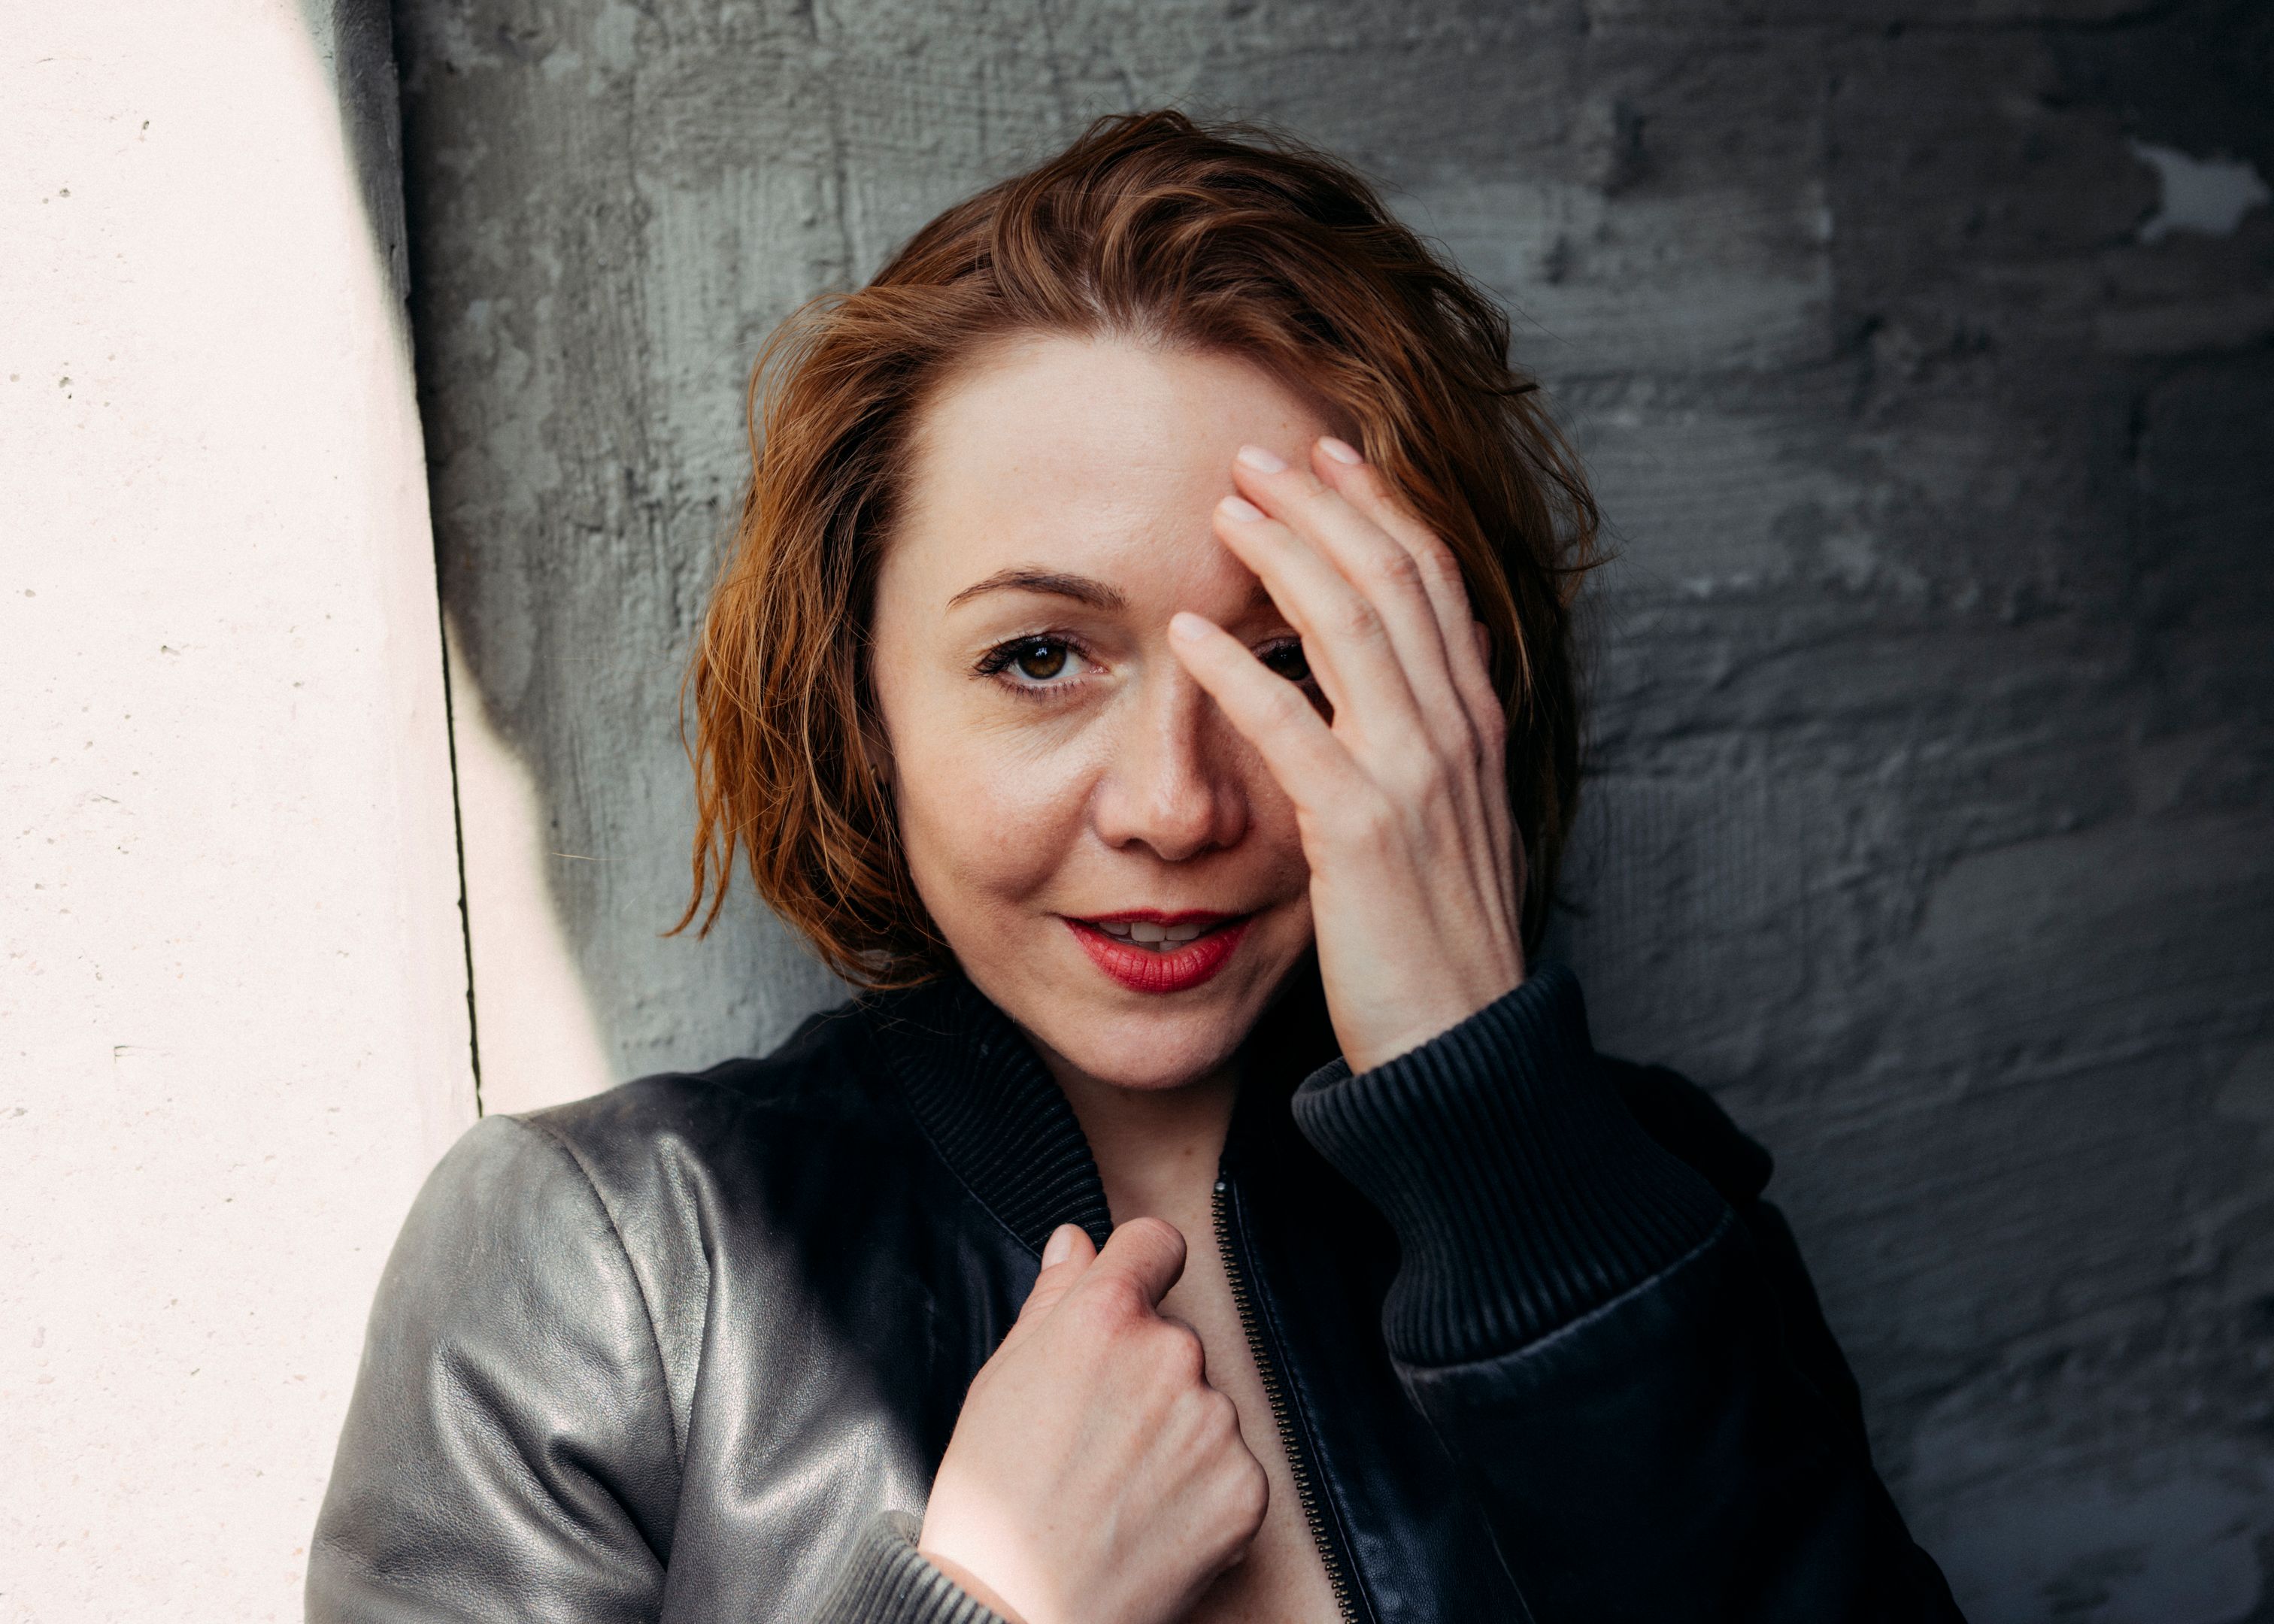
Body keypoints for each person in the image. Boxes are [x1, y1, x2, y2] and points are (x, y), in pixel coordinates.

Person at [308, 111, 1963, 1623]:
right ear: (861, 700)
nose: (1176, 806)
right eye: (1040, 657)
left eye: (1292, 659)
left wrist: (1500, 1133)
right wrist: (995, 1600)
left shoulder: (1641, 1196)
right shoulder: (606, 1276)